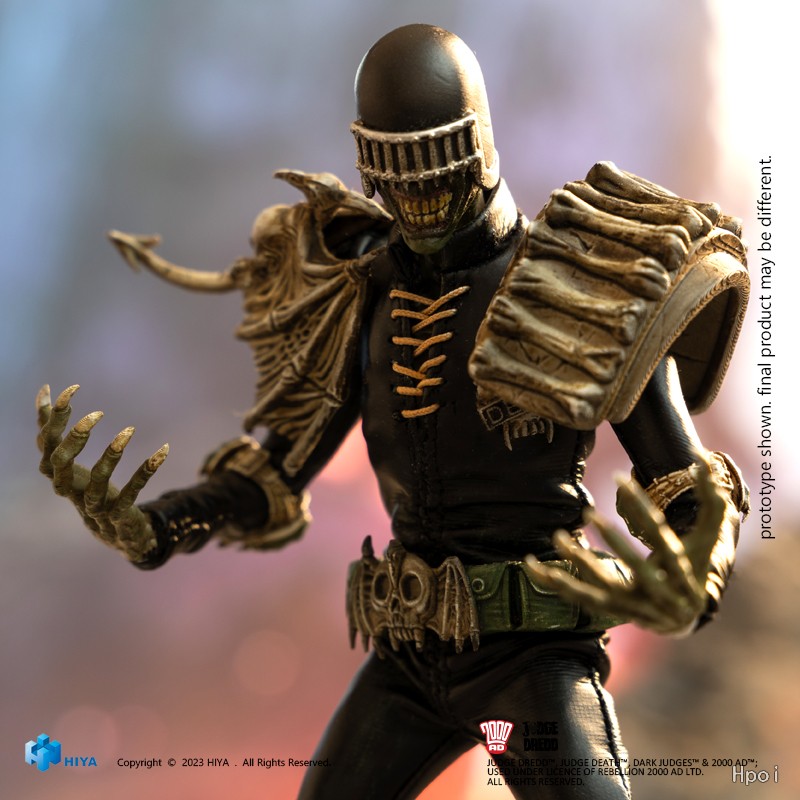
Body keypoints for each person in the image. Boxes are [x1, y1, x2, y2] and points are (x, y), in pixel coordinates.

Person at [37, 24, 749, 799]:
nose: (418, 201)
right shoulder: (363, 293)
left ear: (475, 149)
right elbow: (273, 474)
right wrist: (158, 526)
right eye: (398, 177)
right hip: (407, 662)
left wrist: (693, 575)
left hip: (533, 659)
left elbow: (687, 483)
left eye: (432, 173)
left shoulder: (586, 283)